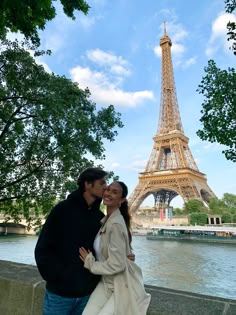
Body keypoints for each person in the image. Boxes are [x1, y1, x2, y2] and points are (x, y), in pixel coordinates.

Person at [34, 167, 108, 315]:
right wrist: (57, 278)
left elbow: (103, 248)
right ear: (88, 184)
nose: (106, 187)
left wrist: (125, 254)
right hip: (60, 294)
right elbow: (43, 248)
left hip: (87, 294)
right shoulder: (62, 210)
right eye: (102, 183)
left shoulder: (99, 217)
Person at [79, 181, 151, 315]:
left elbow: (117, 265)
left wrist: (91, 263)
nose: (108, 193)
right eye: (108, 190)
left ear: (122, 199)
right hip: (106, 282)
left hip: (120, 284)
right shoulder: (106, 221)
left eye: (114, 192)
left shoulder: (116, 224)